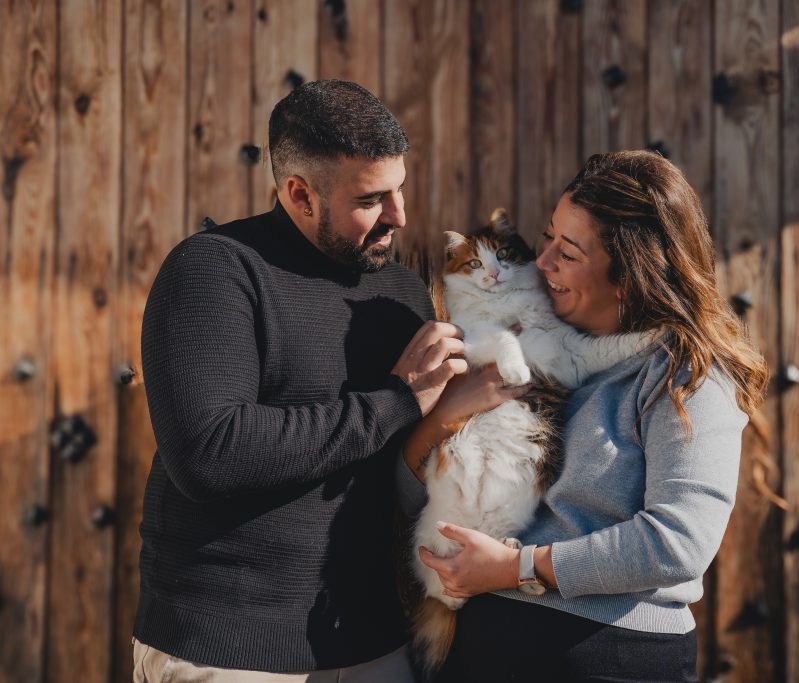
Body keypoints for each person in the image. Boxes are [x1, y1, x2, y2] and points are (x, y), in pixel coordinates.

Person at [131, 80, 521, 681]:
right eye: (371, 200)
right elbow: (209, 455)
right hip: (232, 650)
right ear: (299, 193)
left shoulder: (401, 292)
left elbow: (398, 459)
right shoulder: (215, 271)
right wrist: (396, 400)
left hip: (373, 643)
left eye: (400, 191)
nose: (400, 217)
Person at [401, 150, 770, 682]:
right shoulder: (512, 345)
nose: (542, 261)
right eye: (547, 236)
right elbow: (407, 491)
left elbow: (678, 544)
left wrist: (517, 568)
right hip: (479, 646)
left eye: (568, 253)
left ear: (630, 276)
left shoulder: (684, 375)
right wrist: (444, 417)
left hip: (606, 659)